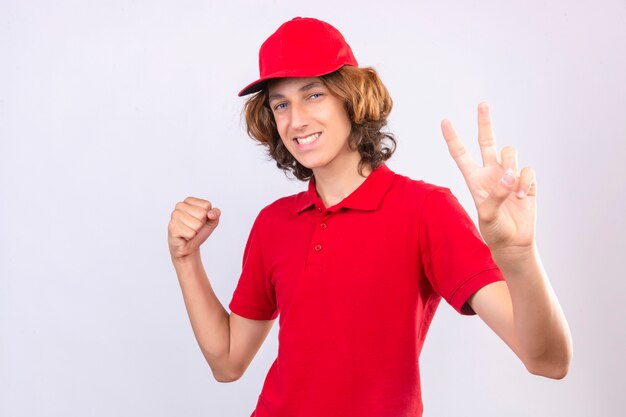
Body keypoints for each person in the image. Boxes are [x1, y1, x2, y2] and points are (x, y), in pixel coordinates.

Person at [167, 17, 572, 417]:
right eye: (281, 103)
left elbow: (548, 362)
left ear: (351, 97)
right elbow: (228, 363)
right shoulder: (273, 224)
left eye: (314, 95)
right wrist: (186, 259)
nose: (296, 120)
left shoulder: (425, 210)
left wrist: (518, 256)